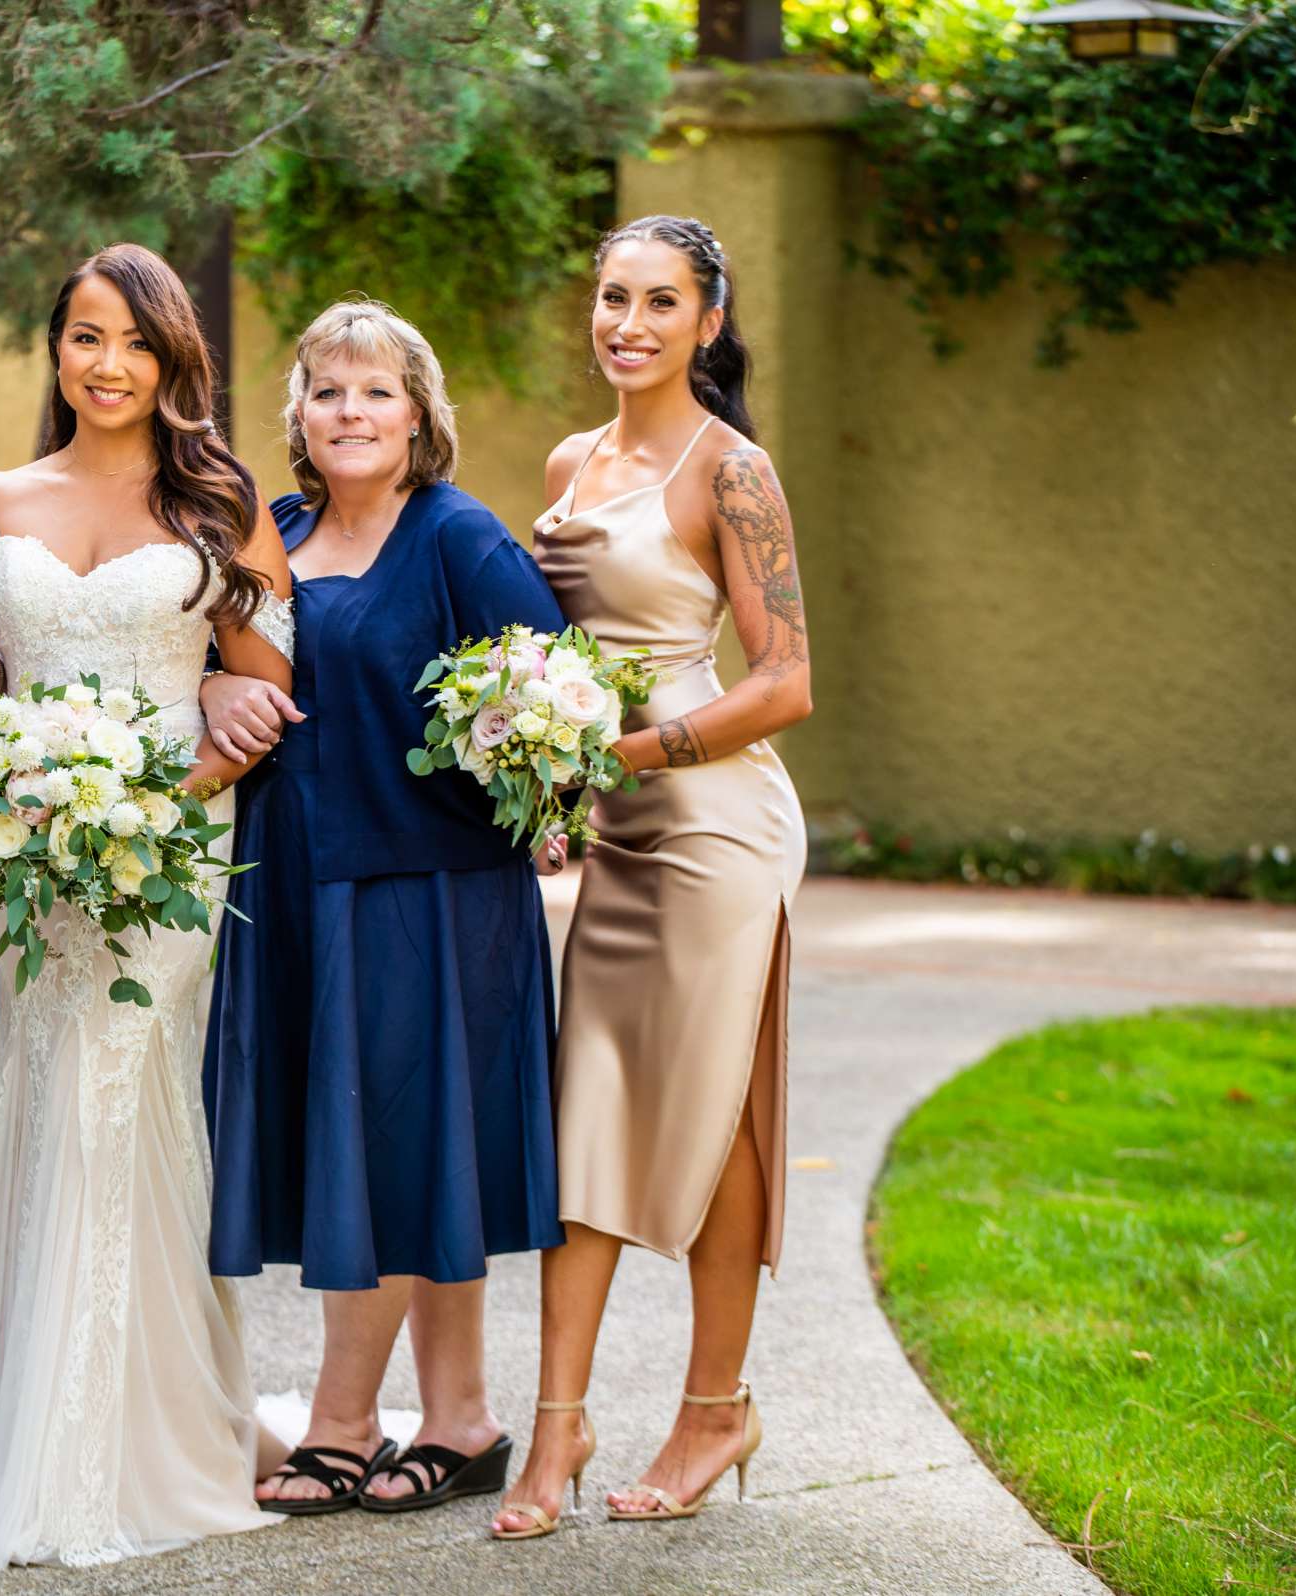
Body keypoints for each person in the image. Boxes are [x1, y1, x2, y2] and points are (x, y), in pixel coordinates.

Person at [0, 243, 296, 1567]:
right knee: (41, 1096)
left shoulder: (224, 508)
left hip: (172, 852)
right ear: (56, 350)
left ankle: (133, 1460)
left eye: (135, 342)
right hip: (28, 858)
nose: (108, 364)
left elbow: (259, 684)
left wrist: (187, 753)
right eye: (85, 336)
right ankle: (39, 1442)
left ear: (174, 357)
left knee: (118, 1097)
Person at [202, 300, 571, 1519]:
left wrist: (544, 786)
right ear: (297, 415)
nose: (350, 413)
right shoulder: (279, 529)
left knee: (393, 1152)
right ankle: (460, 1422)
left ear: (420, 413)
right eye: (327, 391)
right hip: (304, 882)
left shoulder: (461, 539)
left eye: (376, 391)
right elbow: (226, 665)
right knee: (411, 1161)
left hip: (431, 896)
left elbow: (562, 701)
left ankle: (347, 1420)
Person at [494, 215, 812, 1541]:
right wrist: (551, 765)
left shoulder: (732, 470)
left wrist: (629, 749)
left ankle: (712, 1407)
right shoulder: (574, 461)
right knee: (593, 1114)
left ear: (709, 321)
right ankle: (553, 1435)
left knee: (712, 1118)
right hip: (618, 834)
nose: (627, 321)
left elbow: (787, 679)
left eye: (659, 301)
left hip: (717, 831)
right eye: (613, 296)